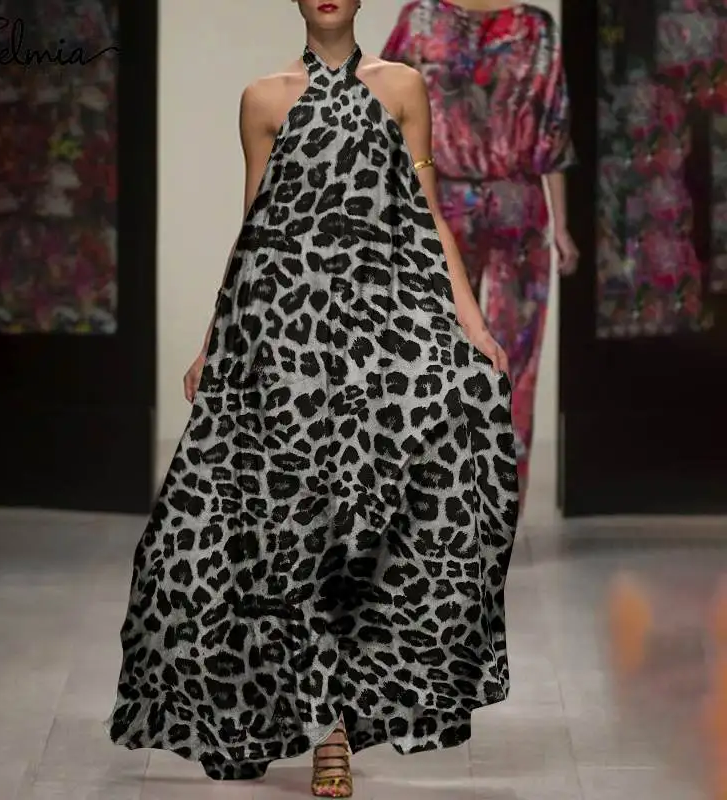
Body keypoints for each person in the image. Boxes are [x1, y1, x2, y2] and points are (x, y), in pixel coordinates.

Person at [105, 0, 519, 796]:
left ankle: (346, 718)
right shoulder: (263, 98)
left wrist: (470, 323)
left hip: (380, 323)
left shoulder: (402, 87)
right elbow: (255, 225)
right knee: (290, 526)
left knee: (370, 522)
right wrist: (217, 336)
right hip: (283, 329)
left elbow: (427, 214)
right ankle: (315, 728)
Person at [382, 0, 578, 506]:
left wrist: (561, 226)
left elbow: (552, 128)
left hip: (517, 205)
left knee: (515, 357)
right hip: (441, 204)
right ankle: (437, 497)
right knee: (436, 350)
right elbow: (383, 111)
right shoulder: (420, 20)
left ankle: (500, 501)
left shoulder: (534, 27)